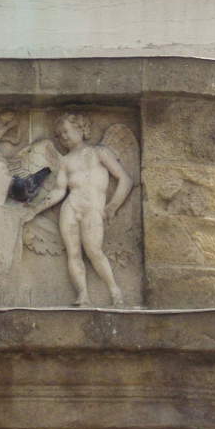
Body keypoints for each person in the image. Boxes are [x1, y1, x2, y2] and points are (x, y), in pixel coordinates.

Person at [38, 113, 133, 306]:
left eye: (66, 131)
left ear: (80, 129)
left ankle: (114, 291)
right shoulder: (65, 161)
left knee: (94, 251)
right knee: (73, 253)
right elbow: (58, 191)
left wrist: (114, 205)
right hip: (71, 207)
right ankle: (83, 294)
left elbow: (125, 179)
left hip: (93, 208)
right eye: (59, 134)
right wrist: (37, 208)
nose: (63, 136)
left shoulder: (99, 152)